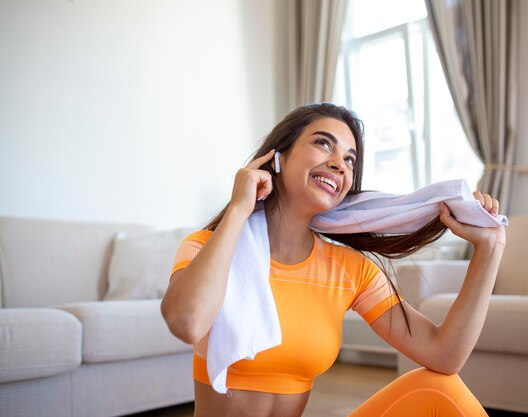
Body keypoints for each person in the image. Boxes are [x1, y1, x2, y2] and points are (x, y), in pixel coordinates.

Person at [161, 103, 506, 417]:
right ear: (275, 158)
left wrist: (489, 250)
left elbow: (444, 356)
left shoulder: (349, 270)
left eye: (350, 159)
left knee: (438, 388)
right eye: (323, 143)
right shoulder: (207, 248)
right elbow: (187, 322)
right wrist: (240, 208)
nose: (339, 163)